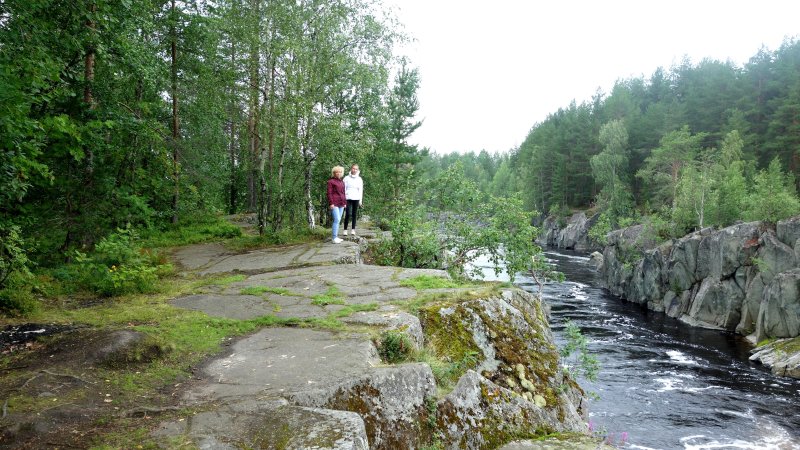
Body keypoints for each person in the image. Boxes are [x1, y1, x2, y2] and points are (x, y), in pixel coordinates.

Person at [327, 166, 346, 243]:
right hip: (334, 203)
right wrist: (331, 203)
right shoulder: (330, 182)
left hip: (341, 203)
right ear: (334, 173)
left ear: (342, 173)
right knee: (337, 219)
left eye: (340, 172)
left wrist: (345, 203)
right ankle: (334, 238)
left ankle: (336, 237)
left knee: (338, 220)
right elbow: (329, 193)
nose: (338, 173)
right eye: (337, 172)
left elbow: (343, 193)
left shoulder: (342, 182)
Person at [343, 164, 363, 236]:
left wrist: (360, 200)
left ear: (358, 170)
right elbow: (343, 189)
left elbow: (360, 190)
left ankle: (353, 230)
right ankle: (345, 230)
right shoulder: (346, 178)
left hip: (356, 198)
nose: (354, 170)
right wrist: (343, 200)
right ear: (351, 169)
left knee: (354, 214)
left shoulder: (359, 179)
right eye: (353, 168)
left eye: (356, 169)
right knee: (348, 214)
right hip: (348, 198)